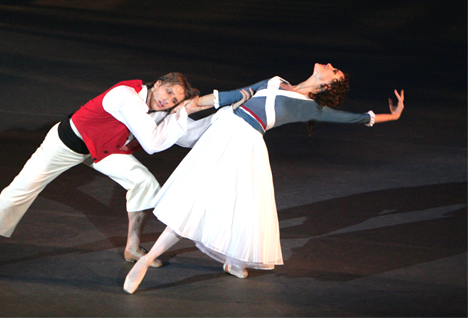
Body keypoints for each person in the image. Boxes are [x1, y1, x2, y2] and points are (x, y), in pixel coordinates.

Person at [123, 63, 405, 294]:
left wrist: (389, 117)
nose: (331, 66)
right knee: (197, 201)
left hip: (244, 145)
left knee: (236, 208)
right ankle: (150, 260)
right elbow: (232, 96)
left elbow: (346, 118)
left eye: (335, 72)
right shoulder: (276, 81)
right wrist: (189, 106)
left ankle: (225, 262)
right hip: (222, 132)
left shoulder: (306, 105)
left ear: (327, 85)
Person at [0, 72, 206, 280]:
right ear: (156, 83)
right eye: (167, 93)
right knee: (12, 196)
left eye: (173, 100)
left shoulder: (161, 112)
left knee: (144, 182)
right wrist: (184, 110)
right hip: (66, 144)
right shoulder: (126, 96)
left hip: (104, 151)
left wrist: (229, 116)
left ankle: (132, 247)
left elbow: (187, 137)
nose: (166, 101)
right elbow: (155, 144)